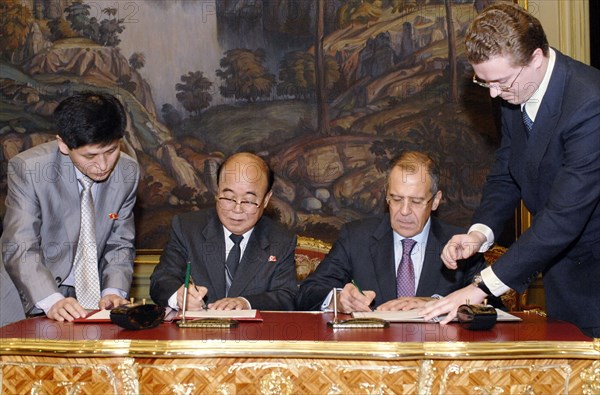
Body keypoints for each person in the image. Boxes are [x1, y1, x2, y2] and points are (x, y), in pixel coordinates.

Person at [421, 3, 600, 338]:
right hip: (563, 277)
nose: (493, 93)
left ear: (535, 58)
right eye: (483, 81)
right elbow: (507, 170)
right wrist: (479, 234)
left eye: (500, 81)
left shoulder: (590, 104)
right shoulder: (513, 90)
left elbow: (563, 218)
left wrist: (481, 287)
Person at [0, 92, 140, 325]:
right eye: (90, 156)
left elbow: (120, 242)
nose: (103, 165)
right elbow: (20, 244)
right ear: (64, 145)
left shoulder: (128, 171)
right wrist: (51, 299)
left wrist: (113, 291)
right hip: (26, 294)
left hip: (86, 301)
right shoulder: (29, 169)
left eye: (111, 151)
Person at [296, 151, 489, 313]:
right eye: (396, 199)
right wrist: (338, 300)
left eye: (415, 201)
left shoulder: (460, 244)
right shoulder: (357, 238)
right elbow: (308, 293)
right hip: (372, 352)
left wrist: (441, 305)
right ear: (386, 194)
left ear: (436, 200)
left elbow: (492, 307)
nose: (404, 211)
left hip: (437, 352)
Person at [150, 152, 297, 311]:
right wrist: (179, 297)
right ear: (217, 191)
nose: (237, 209)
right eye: (228, 197)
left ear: (266, 199)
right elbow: (162, 280)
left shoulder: (280, 239)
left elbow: (286, 296)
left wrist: (245, 303)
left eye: (248, 201)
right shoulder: (187, 228)